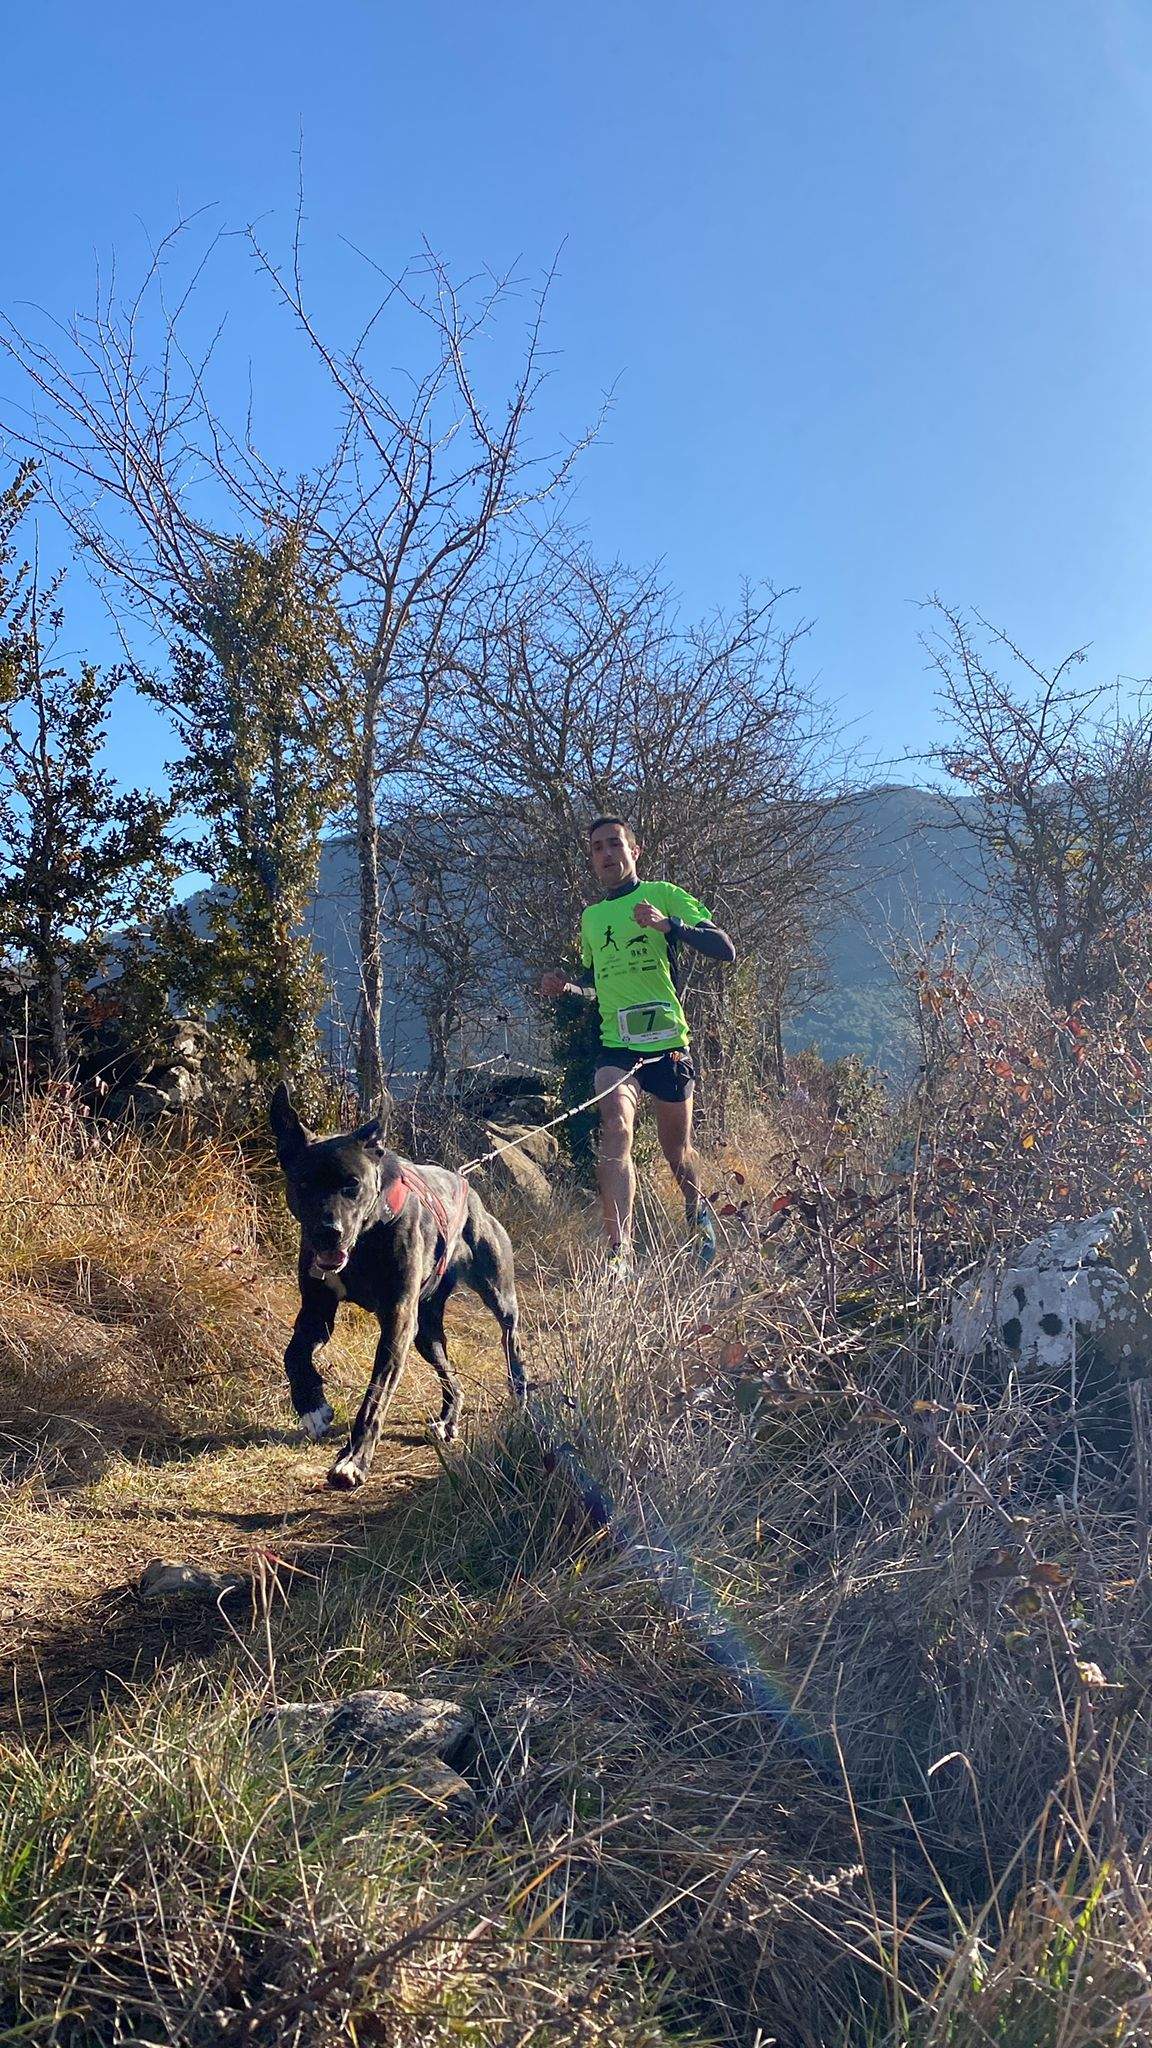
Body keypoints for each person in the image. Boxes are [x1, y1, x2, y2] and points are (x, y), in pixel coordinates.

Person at [539, 816, 736, 1269]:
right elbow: (596, 987)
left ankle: (696, 1212)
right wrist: (566, 989)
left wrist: (671, 926)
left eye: (615, 844)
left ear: (634, 850)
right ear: (591, 860)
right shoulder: (591, 918)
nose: (607, 854)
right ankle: (620, 1252)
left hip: (667, 1045)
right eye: (597, 848)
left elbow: (724, 948)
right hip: (618, 1048)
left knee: (678, 1154)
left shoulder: (663, 895)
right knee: (616, 1129)